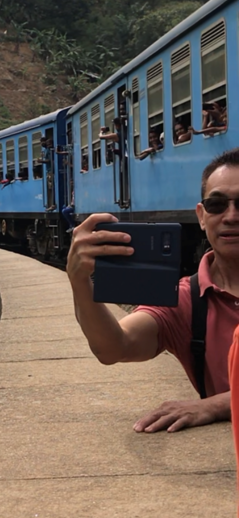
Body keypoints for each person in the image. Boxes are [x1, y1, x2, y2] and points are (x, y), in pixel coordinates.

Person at [66, 147, 239, 433]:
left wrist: (214, 405)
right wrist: (79, 282)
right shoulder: (186, 300)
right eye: (217, 204)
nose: (231, 216)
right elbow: (114, 347)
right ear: (201, 215)